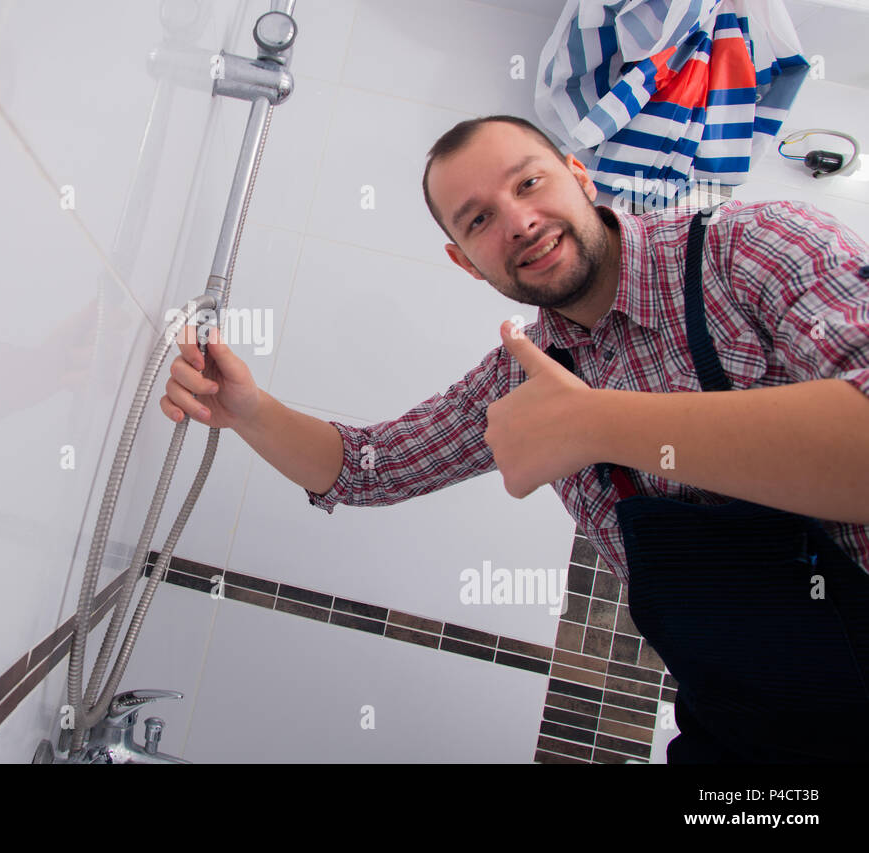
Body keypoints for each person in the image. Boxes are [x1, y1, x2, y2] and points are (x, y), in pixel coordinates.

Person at [159, 115, 869, 763]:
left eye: (530, 182)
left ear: (580, 175)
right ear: (466, 261)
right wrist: (248, 409)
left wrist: (593, 423)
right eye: (480, 220)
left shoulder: (753, 249)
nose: (521, 221)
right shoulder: (521, 377)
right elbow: (364, 467)